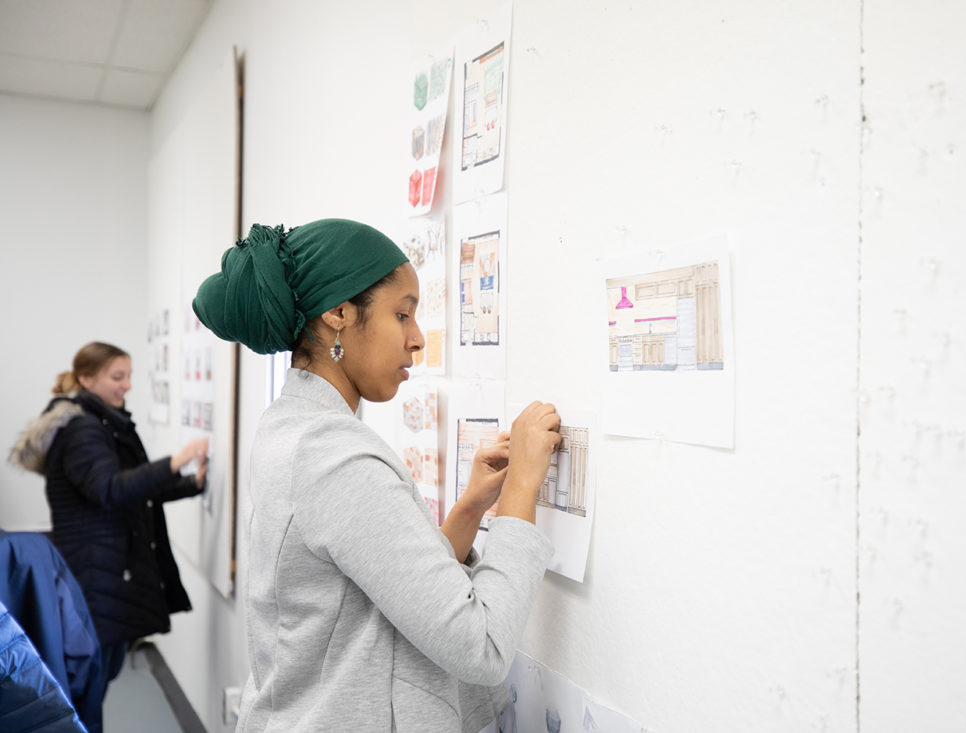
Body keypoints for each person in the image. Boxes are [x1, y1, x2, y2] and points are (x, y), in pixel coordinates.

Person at [192, 219, 561, 732]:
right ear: (339, 313)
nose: (417, 340)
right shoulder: (334, 457)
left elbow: (384, 586)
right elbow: (482, 646)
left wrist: (472, 508)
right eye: (402, 314)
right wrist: (523, 488)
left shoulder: (292, 427)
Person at [9, 342, 209, 697]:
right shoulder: (82, 430)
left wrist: (190, 483)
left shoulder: (101, 423)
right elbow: (111, 490)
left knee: (99, 676)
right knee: (89, 685)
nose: (127, 385)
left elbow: (134, 490)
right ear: (86, 379)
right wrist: (176, 462)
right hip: (96, 572)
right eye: (118, 376)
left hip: (107, 571)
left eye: (129, 375)